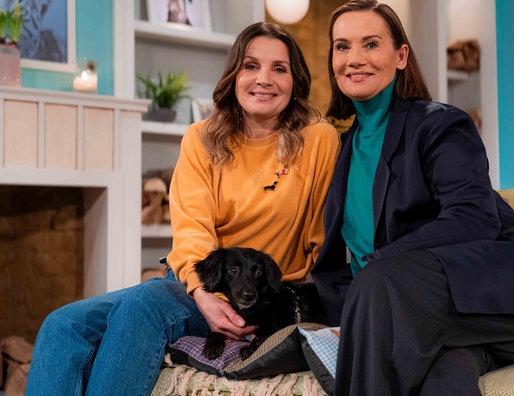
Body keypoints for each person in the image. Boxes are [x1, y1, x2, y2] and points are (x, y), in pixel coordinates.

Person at [26, 22, 340, 395]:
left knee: (145, 303)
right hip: (200, 287)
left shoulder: (318, 139)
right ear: (234, 74)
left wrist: (306, 309)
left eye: (279, 68)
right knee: (62, 325)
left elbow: (326, 238)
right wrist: (201, 294)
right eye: (251, 66)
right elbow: (192, 229)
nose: (264, 79)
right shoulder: (201, 138)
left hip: (260, 294)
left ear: (295, 80)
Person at [310, 1, 514, 395]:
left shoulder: (439, 123)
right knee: (444, 371)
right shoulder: (344, 149)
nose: (354, 59)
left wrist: (380, 265)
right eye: (342, 46)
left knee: (377, 283)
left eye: (370, 44)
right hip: (423, 309)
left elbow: (473, 218)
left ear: (400, 56)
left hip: (507, 296)